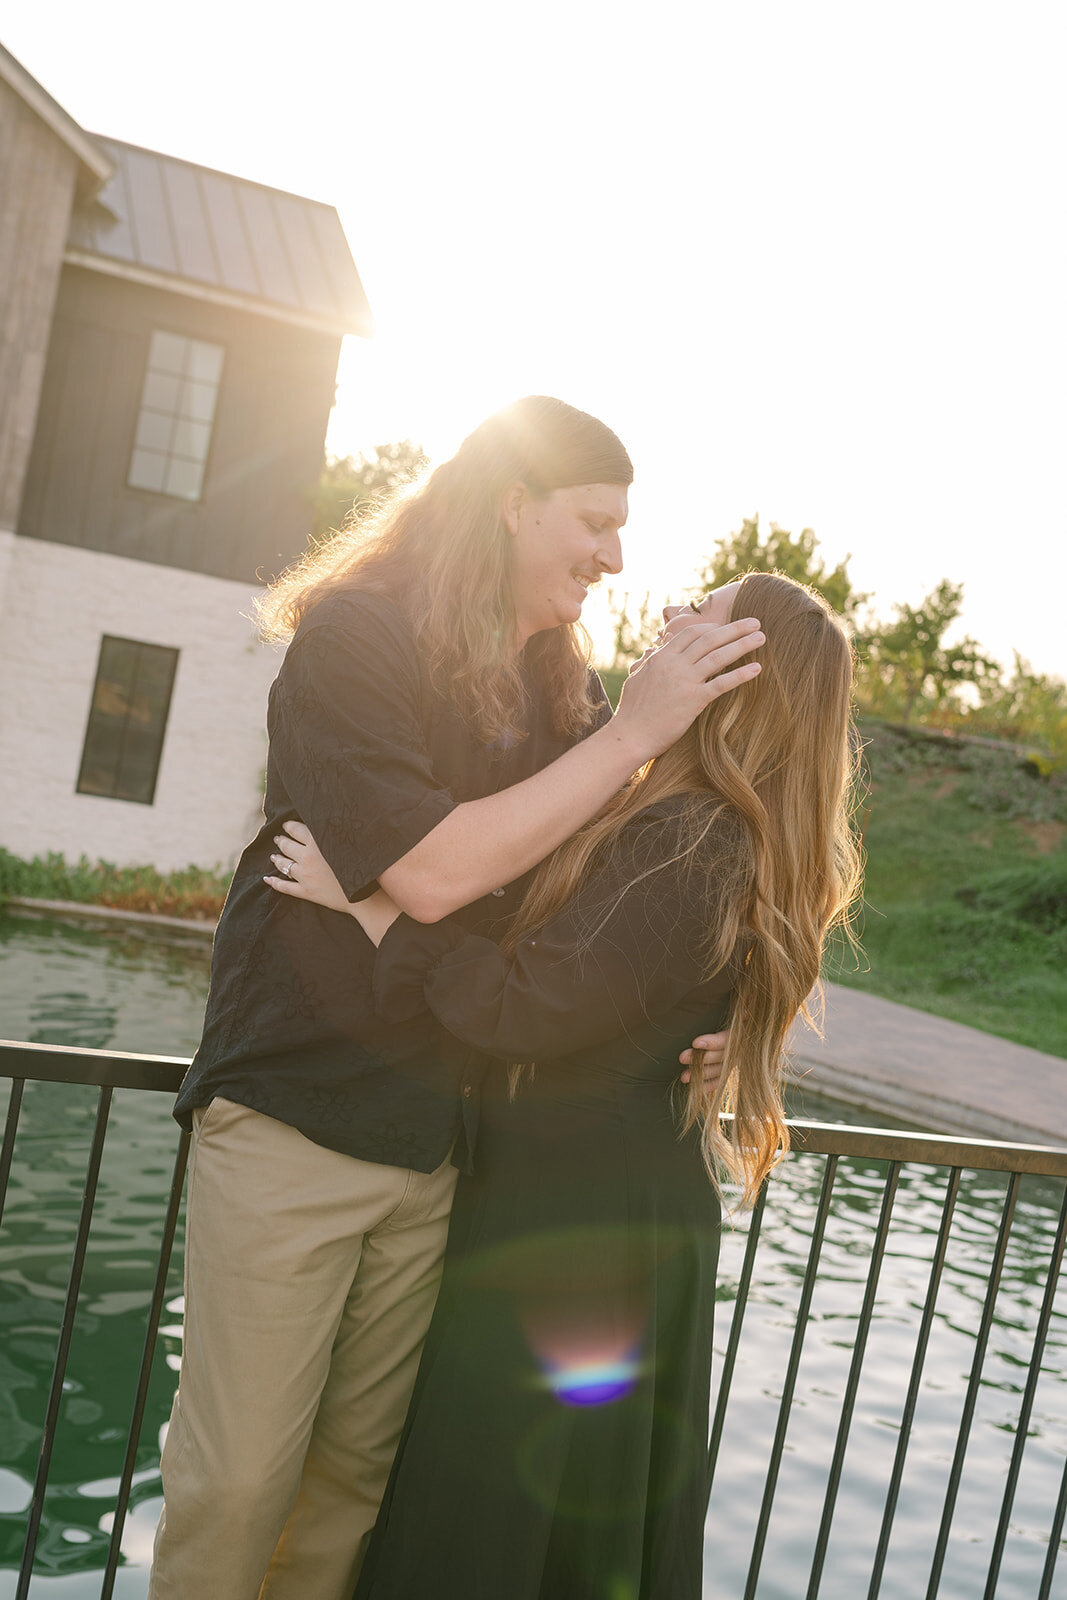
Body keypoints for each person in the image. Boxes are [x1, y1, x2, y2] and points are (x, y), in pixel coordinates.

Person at [148, 397, 763, 1600]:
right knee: (238, 1482)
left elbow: (614, 895)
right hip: (295, 1119)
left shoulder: (558, 685)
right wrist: (629, 737)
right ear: (513, 503)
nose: (614, 556)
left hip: (444, 1147)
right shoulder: (355, 638)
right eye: (593, 521)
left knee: (348, 1490)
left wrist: (724, 1015)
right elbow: (430, 870)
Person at [265, 570, 863, 1600]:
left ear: (732, 672)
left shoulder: (689, 838)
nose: (671, 613)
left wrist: (373, 907)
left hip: (575, 1234)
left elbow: (523, 1008)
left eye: (702, 610)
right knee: (543, 1530)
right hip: (595, 1212)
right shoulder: (682, 817)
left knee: (493, 1526)